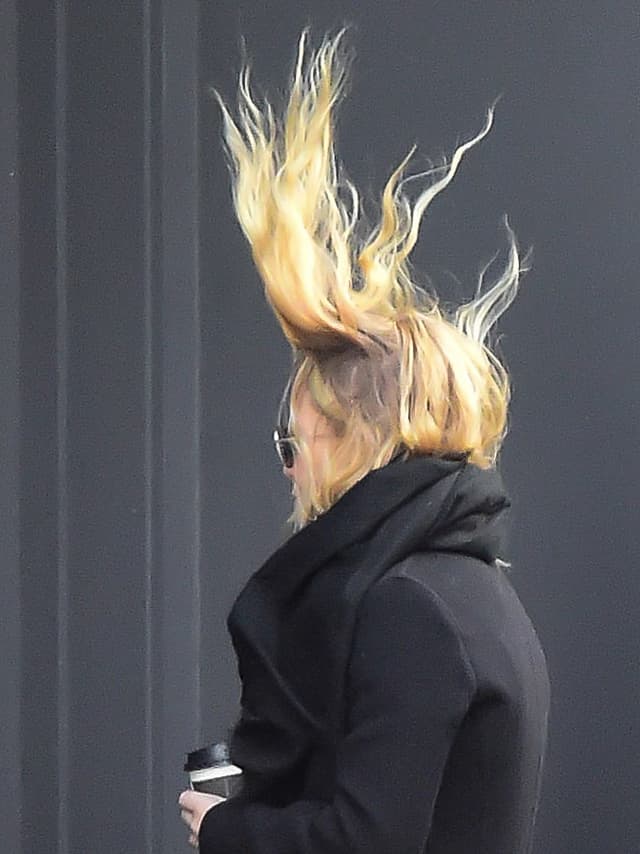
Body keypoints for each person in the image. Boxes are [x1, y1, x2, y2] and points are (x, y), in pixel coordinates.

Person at [179, 32, 549, 853]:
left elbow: (367, 838)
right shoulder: (475, 593)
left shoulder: (410, 608)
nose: (289, 471)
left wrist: (228, 830)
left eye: (294, 441)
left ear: (359, 443)